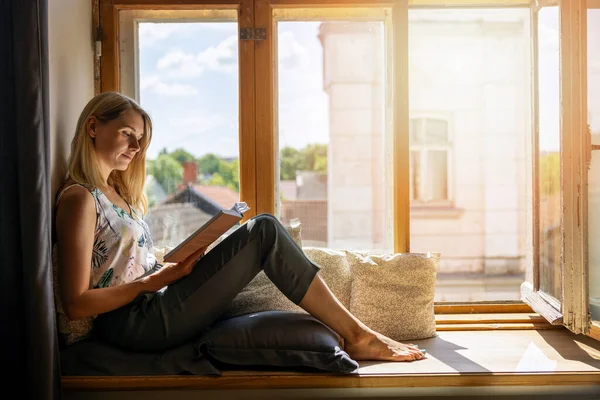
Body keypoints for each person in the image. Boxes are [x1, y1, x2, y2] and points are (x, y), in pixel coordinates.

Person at [52, 91, 425, 363]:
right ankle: (357, 334)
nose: (135, 147)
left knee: (258, 229)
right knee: (263, 230)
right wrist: (151, 283)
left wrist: (172, 268)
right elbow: (75, 303)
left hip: (155, 301)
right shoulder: (80, 199)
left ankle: (357, 332)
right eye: (127, 134)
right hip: (134, 324)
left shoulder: (117, 193)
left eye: (141, 140)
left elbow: (126, 265)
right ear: (92, 127)